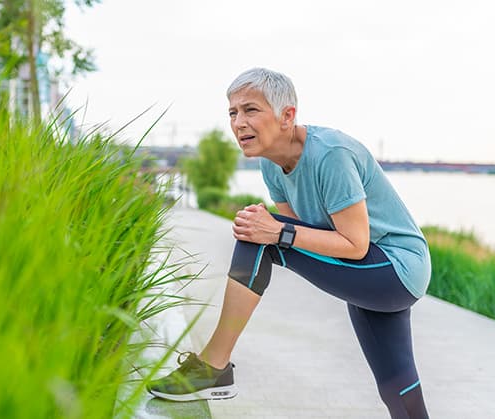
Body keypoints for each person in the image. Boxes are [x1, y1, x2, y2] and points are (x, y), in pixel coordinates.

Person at [147, 68, 431, 419]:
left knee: (261, 233)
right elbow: (304, 233)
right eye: (232, 113)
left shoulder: (331, 155)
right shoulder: (271, 165)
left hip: (393, 268)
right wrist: (279, 232)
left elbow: (353, 244)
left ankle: (213, 366)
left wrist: (277, 232)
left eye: (250, 110)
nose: (238, 123)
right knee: (396, 385)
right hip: (368, 271)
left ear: (287, 116)